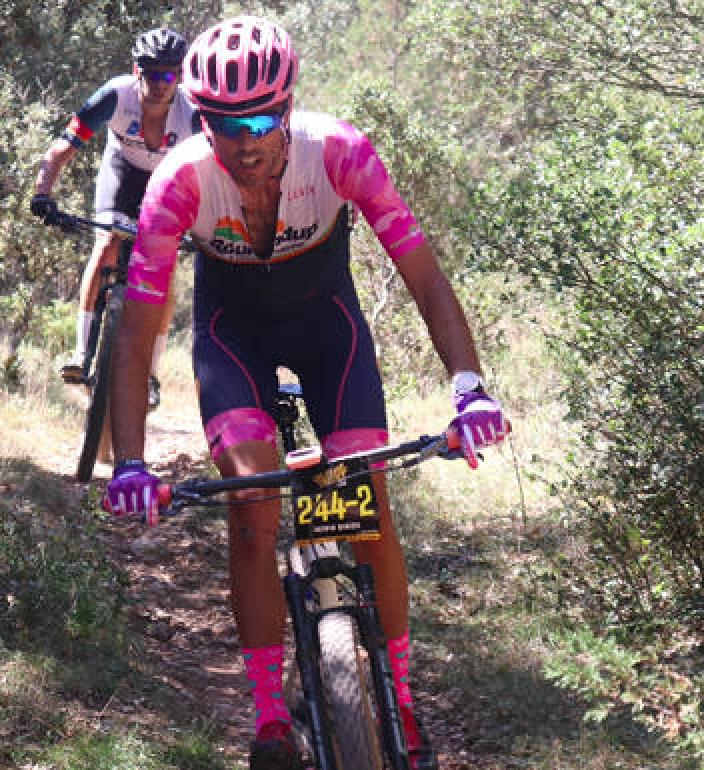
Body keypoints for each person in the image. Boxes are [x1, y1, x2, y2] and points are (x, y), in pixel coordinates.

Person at [102, 15, 508, 770]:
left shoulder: (341, 153)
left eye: (260, 121)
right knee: (254, 506)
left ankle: (401, 699)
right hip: (233, 336)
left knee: (365, 499)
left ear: (287, 108)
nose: (244, 142)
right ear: (200, 118)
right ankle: (268, 718)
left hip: (329, 332)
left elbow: (423, 275)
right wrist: (131, 462)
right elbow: (136, 331)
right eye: (223, 124)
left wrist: (470, 391)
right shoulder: (179, 181)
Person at [30, 27, 197, 409]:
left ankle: (150, 373)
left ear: (179, 76)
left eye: (169, 74)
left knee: (164, 268)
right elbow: (60, 149)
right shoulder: (116, 95)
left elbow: (216, 169)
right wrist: (42, 194)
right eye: (151, 73)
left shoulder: (192, 113)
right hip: (122, 173)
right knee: (106, 240)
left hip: (166, 182)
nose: (160, 83)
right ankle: (81, 352)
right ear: (137, 71)